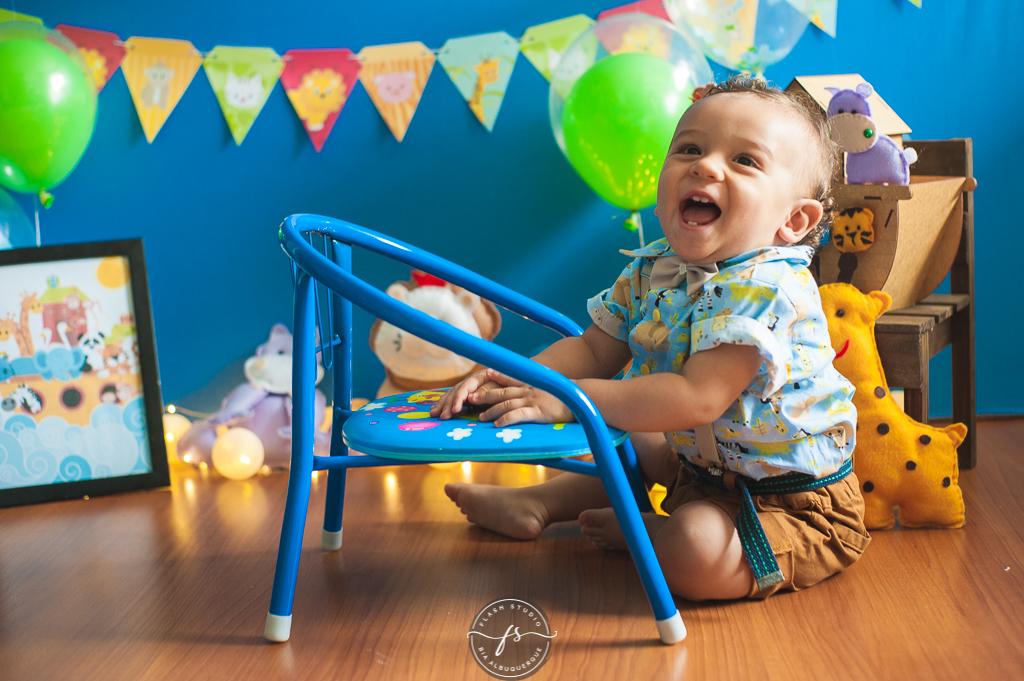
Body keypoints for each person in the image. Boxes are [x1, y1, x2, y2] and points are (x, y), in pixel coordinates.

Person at [429, 76, 870, 601]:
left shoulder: (767, 289)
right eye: (689, 149)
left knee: (694, 548)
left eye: (745, 161)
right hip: (700, 469)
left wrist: (568, 399)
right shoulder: (656, 267)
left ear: (793, 220)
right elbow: (593, 350)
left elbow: (695, 398)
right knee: (631, 432)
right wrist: (516, 377)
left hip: (791, 503)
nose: (705, 166)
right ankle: (542, 503)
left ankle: (650, 533)